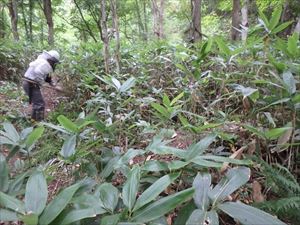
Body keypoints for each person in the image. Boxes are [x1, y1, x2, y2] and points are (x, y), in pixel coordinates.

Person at [22, 50, 60, 121]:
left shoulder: (43, 62)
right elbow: (38, 72)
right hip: (30, 84)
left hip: (29, 83)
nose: (54, 64)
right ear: (51, 60)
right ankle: (38, 122)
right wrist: (42, 82)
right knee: (39, 104)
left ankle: (34, 120)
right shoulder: (45, 64)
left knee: (37, 103)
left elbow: (47, 78)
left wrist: (53, 84)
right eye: (54, 62)